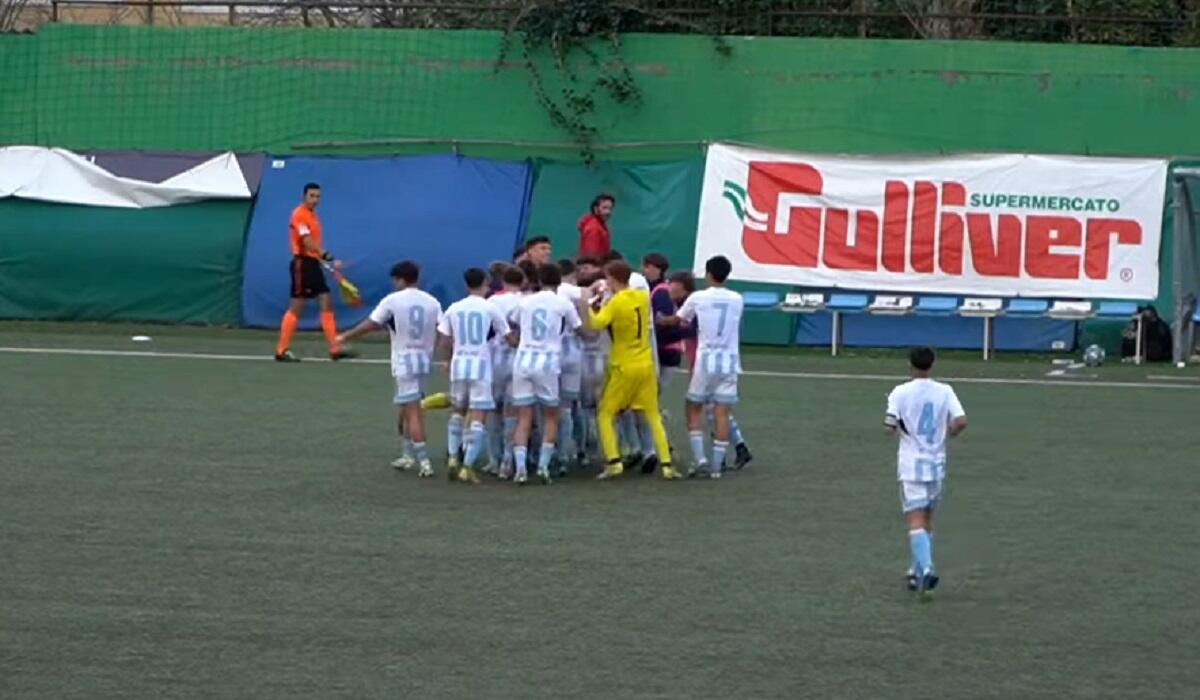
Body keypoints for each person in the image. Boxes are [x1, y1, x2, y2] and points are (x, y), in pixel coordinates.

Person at [336, 261, 442, 478]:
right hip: (424, 361)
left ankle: (424, 462)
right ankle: (407, 454)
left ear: (399, 279)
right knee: (407, 407)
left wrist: (346, 336)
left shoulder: (393, 301)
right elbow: (441, 329)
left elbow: (372, 323)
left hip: (404, 361)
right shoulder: (432, 302)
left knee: (413, 411)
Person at [582, 260, 682, 481]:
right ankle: (666, 464)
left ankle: (614, 462)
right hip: (645, 362)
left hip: (624, 365)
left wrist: (589, 305)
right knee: (653, 415)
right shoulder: (642, 297)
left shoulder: (616, 302)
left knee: (606, 414)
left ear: (612, 278)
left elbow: (597, 324)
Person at [884, 346, 968, 599]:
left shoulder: (900, 392)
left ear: (910, 365)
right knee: (928, 518)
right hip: (936, 463)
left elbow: (889, 426)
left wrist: (900, 427)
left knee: (915, 520)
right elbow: (961, 421)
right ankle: (916, 569)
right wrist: (950, 433)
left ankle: (928, 567)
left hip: (911, 465)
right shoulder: (945, 390)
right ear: (932, 365)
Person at [666, 255, 744, 479]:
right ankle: (717, 467)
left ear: (708, 274)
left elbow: (678, 319)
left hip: (706, 359)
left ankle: (700, 460)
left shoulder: (698, 297)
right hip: (729, 361)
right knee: (722, 412)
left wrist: (660, 320)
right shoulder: (737, 298)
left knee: (693, 407)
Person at [508, 263, 583, 484]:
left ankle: (520, 468)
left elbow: (512, 319)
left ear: (538, 281)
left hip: (523, 360)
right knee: (552, 416)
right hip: (548, 362)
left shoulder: (525, 301)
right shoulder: (563, 303)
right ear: (559, 281)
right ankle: (543, 467)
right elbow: (577, 327)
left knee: (523, 417)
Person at [437, 267, 510, 485]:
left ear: (465, 284)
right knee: (479, 414)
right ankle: (467, 466)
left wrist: (448, 360)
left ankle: (452, 456)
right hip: (480, 364)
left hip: (459, 363)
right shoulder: (490, 307)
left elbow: (444, 340)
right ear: (485, 282)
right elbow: (507, 337)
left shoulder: (454, 308)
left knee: (458, 410)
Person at [274, 182, 355, 362]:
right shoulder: (299, 214)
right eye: (312, 196)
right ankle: (281, 350)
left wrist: (321, 260)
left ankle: (335, 348)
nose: (315, 200)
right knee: (297, 306)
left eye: (318, 196)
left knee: (326, 300)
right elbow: (307, 241)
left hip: (312, 263)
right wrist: (327, 256)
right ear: (304, 196)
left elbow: (312, 245)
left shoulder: (313, 215)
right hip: (301, 265)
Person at [486, 265, 526, 477]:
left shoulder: (492, 301)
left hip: (495, 361)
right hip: (518, 361)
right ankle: (508, 462)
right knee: (513, 413)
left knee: (493, 411)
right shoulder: (527, 301)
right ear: (523, 282)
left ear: (502, 281)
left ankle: (494, 459)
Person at [578, 194, 615, 258]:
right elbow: (591, 257)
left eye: (610, 209)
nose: (608, 212)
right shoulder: (594, 228)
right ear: (596, 209)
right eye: (605, 208)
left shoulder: (600, 226)